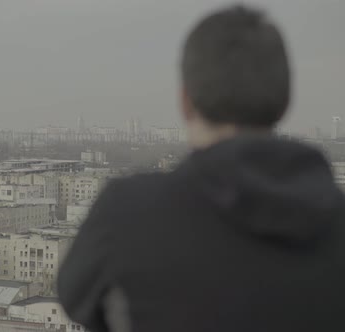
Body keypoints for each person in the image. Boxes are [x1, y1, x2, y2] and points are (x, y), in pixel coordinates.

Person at [58, 5, 345, 332]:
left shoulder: (127, 214)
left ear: (185, 101)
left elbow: (76, 300)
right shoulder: (337, 223)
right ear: (284, 100)